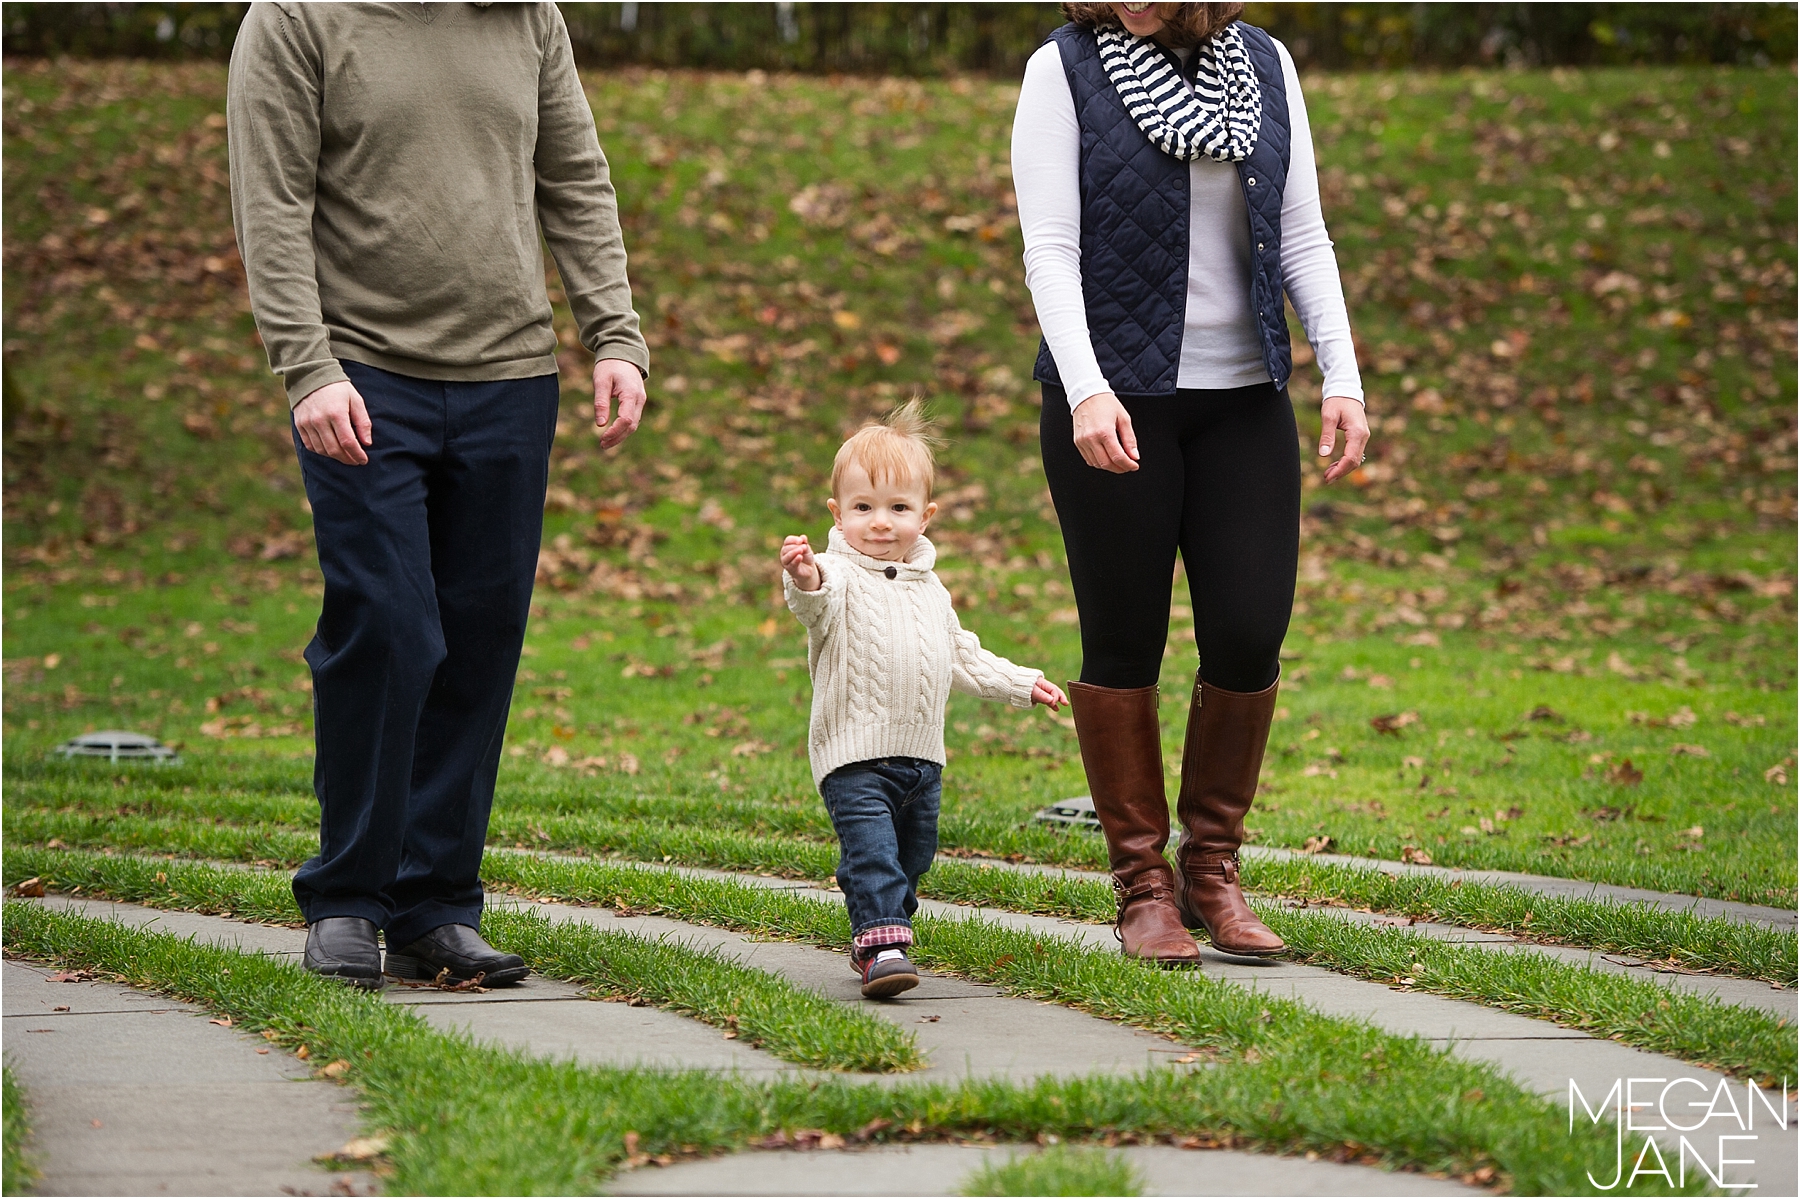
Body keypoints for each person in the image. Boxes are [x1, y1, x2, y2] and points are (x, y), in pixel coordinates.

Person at [227, 3, 650, 989]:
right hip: (363, 377)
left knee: (477, 637)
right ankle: (346, 897)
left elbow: (575, 175)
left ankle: (433, 906)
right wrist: (307, 366)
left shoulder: (527, 16)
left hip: (510, 378)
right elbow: (272, 202)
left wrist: (613, 332)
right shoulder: (297, 18)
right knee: (387, 625)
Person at [1012, 2, 1368, 963]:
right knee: (1124, 639)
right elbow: (1050, 247)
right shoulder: (1066, 69)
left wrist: (1341, 372)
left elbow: (1304, 234)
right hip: (1114, 400)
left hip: (1246, 397)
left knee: (1251, 630)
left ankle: (1213, 870)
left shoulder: (1265, 65)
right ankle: (1142, 887)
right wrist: (1086, 387)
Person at [780, 405, 1068, 998]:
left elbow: (960, 654)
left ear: (925, 516)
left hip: (921, 760)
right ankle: (882, 946)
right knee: (875, 855)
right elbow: (815, 607)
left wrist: (1021, 683)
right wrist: (804, 575)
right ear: (838, 512)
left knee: (912, 858)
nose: (880, 523)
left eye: (898, 508)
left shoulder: (931, 589)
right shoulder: (836, 574)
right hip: (853, 756)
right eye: (863, 508)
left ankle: (882, 918)